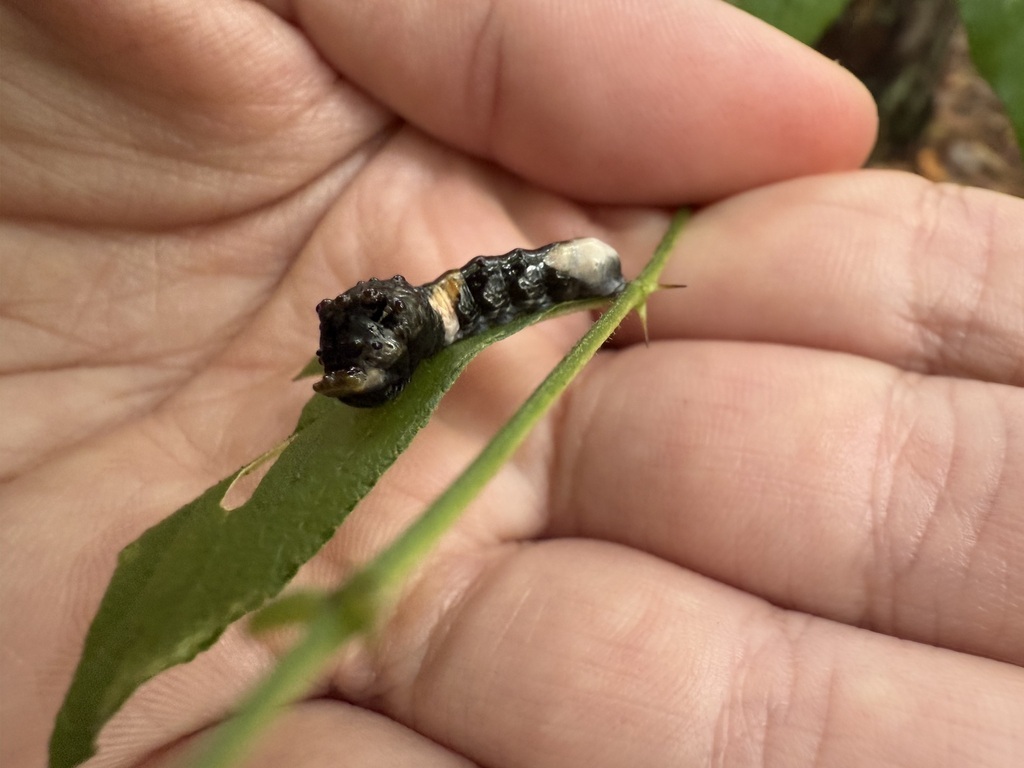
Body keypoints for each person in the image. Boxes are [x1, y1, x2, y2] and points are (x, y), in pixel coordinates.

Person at [2, 1, 1021, 766]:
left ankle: (588, 275)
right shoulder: (409, 321)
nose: (354, 378)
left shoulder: (472, 299)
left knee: (550, 277)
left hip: (565, 270)